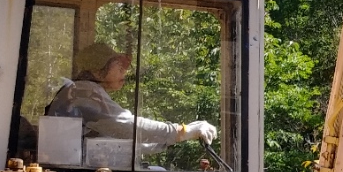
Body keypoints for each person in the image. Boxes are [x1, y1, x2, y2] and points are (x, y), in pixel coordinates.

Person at [46, 41, 216, 156]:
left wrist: (175, 137)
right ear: (97, 69)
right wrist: (180, 132)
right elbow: (125, 125)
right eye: (118, 66)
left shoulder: (83, 89)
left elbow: (120, 141)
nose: (124, 71)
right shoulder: (84, 91)